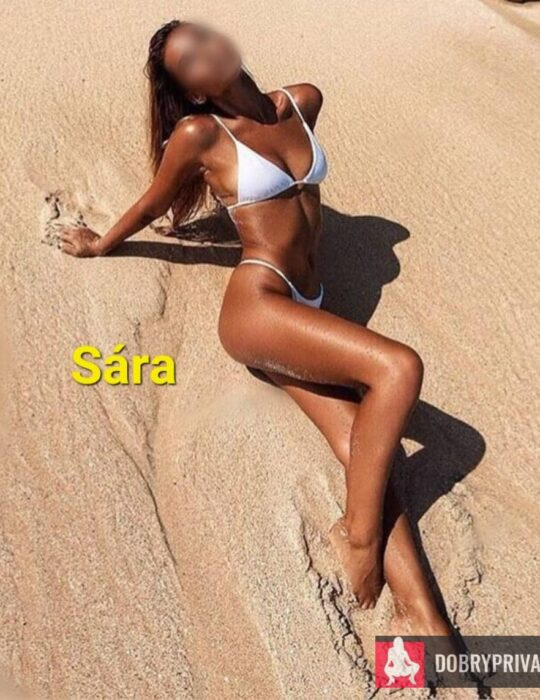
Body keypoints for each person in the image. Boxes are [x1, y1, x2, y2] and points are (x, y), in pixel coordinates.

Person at [59, 19, 452, 634]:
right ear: (193, 90)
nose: (208, 51)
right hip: (259, 304)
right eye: (190, 60)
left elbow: (296, 199)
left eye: (204, 38)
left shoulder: (302, 101)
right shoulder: (199, 133)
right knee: (398, 368)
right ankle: (357, 535)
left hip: (308, 304)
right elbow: (155, 200)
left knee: (364, 445)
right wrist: (101, 243)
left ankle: (425, 619)